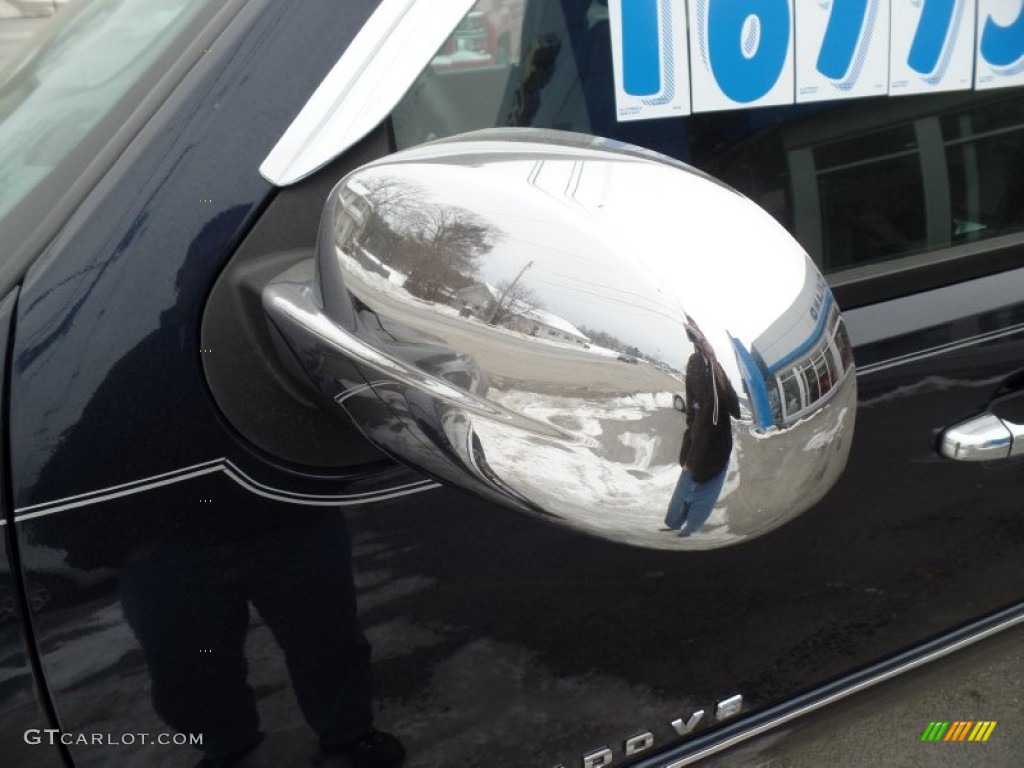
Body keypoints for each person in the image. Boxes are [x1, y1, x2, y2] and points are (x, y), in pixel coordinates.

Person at [663, 320, 740, 536]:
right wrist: (690, 439)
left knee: (707, 492)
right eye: (693, 335)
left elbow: (735, 409)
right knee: (686, 486)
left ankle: (691, 529)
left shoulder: (719, 369)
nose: (698, 339)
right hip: (701, 439)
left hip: (720, 443)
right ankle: (674, 524)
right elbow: (696, 402)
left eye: (699, 334)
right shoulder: (695, 362)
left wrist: (716, 364)